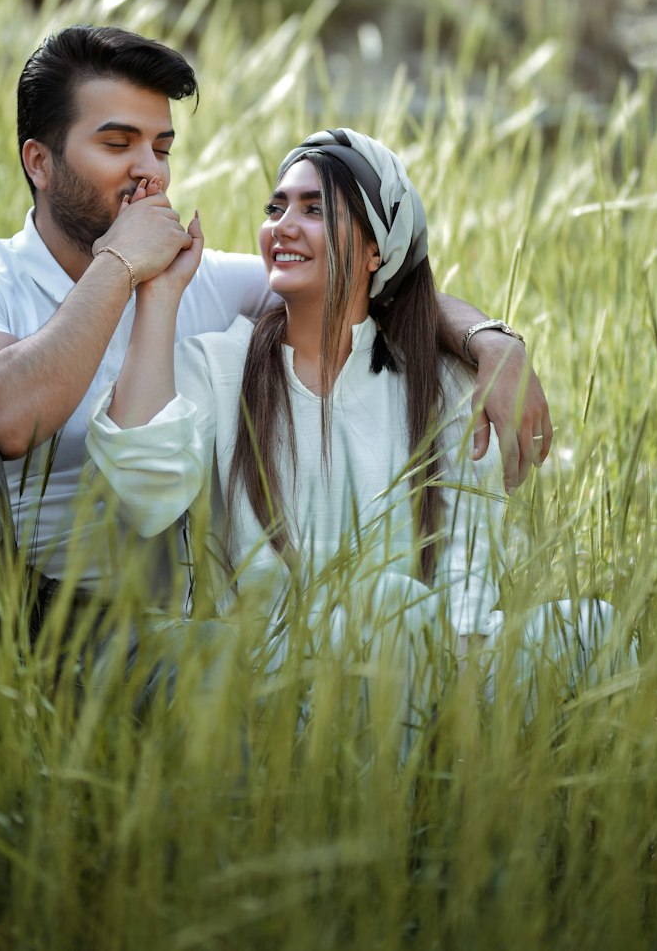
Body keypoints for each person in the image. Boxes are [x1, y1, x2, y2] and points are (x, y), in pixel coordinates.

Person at [0, 26, 553, 734]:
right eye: (117, 144)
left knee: (256, 676)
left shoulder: (203, 283)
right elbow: (3, 414)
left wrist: (491, 340)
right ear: (39, 162)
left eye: (161, 147)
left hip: (127, 630)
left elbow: (353, 278)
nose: (150, 173)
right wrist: (118, 269)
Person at [87, 129, 626, 731]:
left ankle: (437, 737)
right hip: (275, 670)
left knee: (596, 630)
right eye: (277, 207)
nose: (284, 224)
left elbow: (466, 571)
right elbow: (140, 493)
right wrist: (160, 294)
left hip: (437, 655)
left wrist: (450, 671)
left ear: (375, 250)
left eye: (314, 210)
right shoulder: (217, 365)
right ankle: (389, 789)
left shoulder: (445, 383)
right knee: (387, 606)